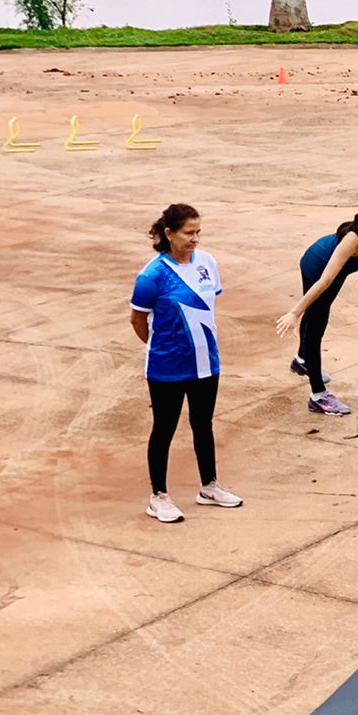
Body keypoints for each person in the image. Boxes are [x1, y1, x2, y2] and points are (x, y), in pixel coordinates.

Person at [131, 204, 243, 523]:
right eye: (188, 233)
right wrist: (161, 347)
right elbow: (137, 319)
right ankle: (159, 496)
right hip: (167, 367)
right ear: (169, 234)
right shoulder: (151, 276)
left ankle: (209, 487)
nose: (195, 239)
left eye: (198, 232)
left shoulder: (207, 262)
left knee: (203, 424)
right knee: (164, 429)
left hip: (206, 362)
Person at [276, 191, 358, 416]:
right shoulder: (354, 240)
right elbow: (325, 280)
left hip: (338, 272)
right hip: (318, 267)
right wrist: (295, 312)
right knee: (317, 321)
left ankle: (302, 360)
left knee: (318, 316)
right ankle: (317, 395)